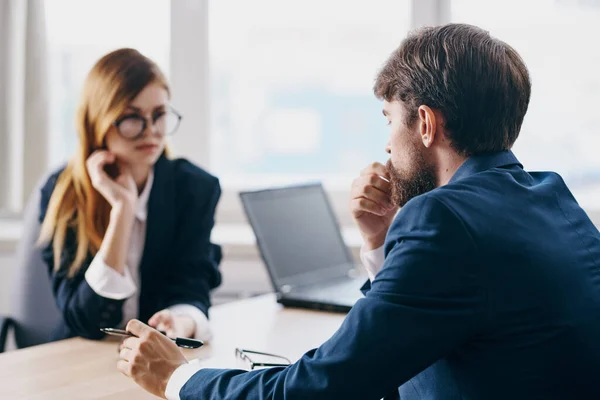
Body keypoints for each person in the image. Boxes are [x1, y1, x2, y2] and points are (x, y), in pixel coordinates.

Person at [116, 24, 600, 399]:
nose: (387, 145)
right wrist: (378, 240)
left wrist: (179, 378)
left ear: (426, 124)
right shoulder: (551, 197)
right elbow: (429, 324)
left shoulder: (444, 220)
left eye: (389, 120)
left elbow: (324, 388)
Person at [38, 48, 222, 343]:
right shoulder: (64, 194)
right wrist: (122, 210)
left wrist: (183, 320)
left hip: (155, 357)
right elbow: (83, 319)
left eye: (159, 115)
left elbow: (193, 284)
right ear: (98, 123)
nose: (151, 131)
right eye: (132, 118)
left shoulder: (195, 189)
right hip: (80, 357)